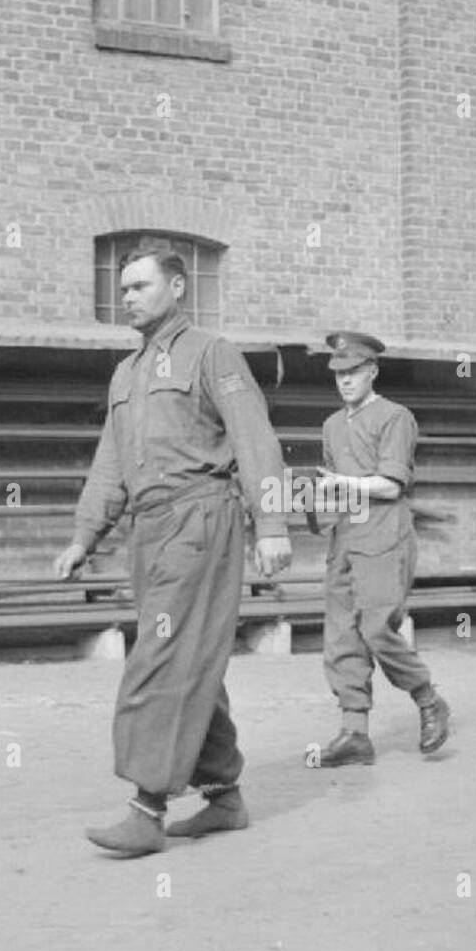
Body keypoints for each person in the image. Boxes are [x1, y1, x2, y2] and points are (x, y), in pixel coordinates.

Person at [53, 244, 292, 856]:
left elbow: (255, 441)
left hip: (200, 520)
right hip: (149, 529)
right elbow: (110, 462)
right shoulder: (126, 373)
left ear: (179, 287)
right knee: (192, 657)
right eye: (123, 287)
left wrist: (272, 524)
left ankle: (147, 807)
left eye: (140, 286)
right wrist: (85, 535)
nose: (127, 296)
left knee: (159, 659)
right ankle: (224, 796)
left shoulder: (212, 354)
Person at [314, 331, 450, 766]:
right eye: (339, 374)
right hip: (346, 539)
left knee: (376, 629)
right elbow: (337, 485)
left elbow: (390, 486)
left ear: (372, 371)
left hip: (384, 537)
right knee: (341, 636)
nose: (345, 381)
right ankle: (354, 732)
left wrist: (342, 485)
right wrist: (312, 498)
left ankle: (428, 699)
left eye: (353, 372)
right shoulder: (332, 426)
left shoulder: (395, 417)